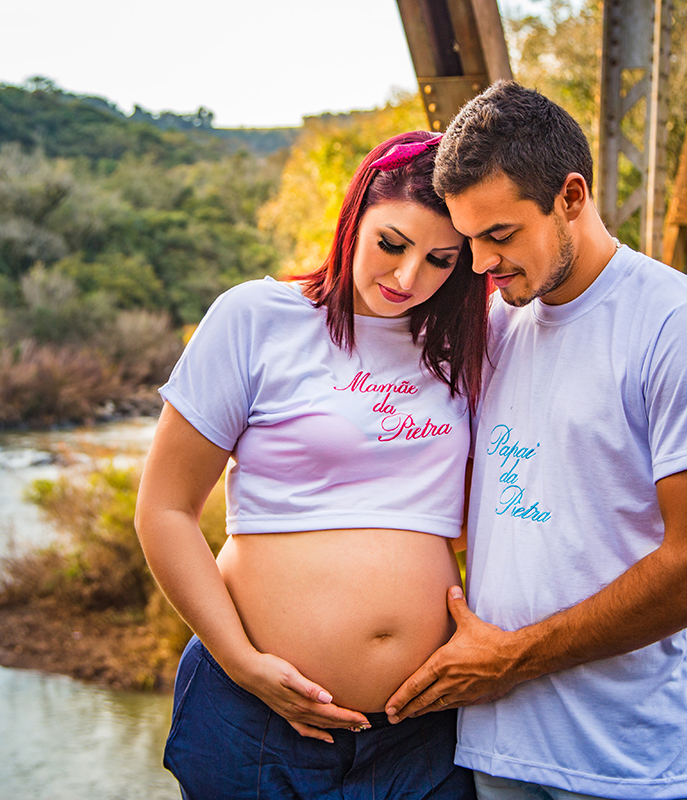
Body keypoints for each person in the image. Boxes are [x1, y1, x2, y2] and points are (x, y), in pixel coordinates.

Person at [384, 81, 687, 800]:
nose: (481, 264)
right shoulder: (492, 326)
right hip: (497, 749)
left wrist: (510, 659)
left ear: (571, 196)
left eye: (500, 235)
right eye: (469, 241)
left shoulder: (681, 327)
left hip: (629, 760)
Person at [134, 131, 489, 799]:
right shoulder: (257, 317)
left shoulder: (467, 343)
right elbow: (165, 510)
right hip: (257, 719)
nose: (408, 278)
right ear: (354, 218)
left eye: (441, 260)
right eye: (391, 244)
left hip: (421, 731)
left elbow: (488, 516)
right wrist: (242, 663)